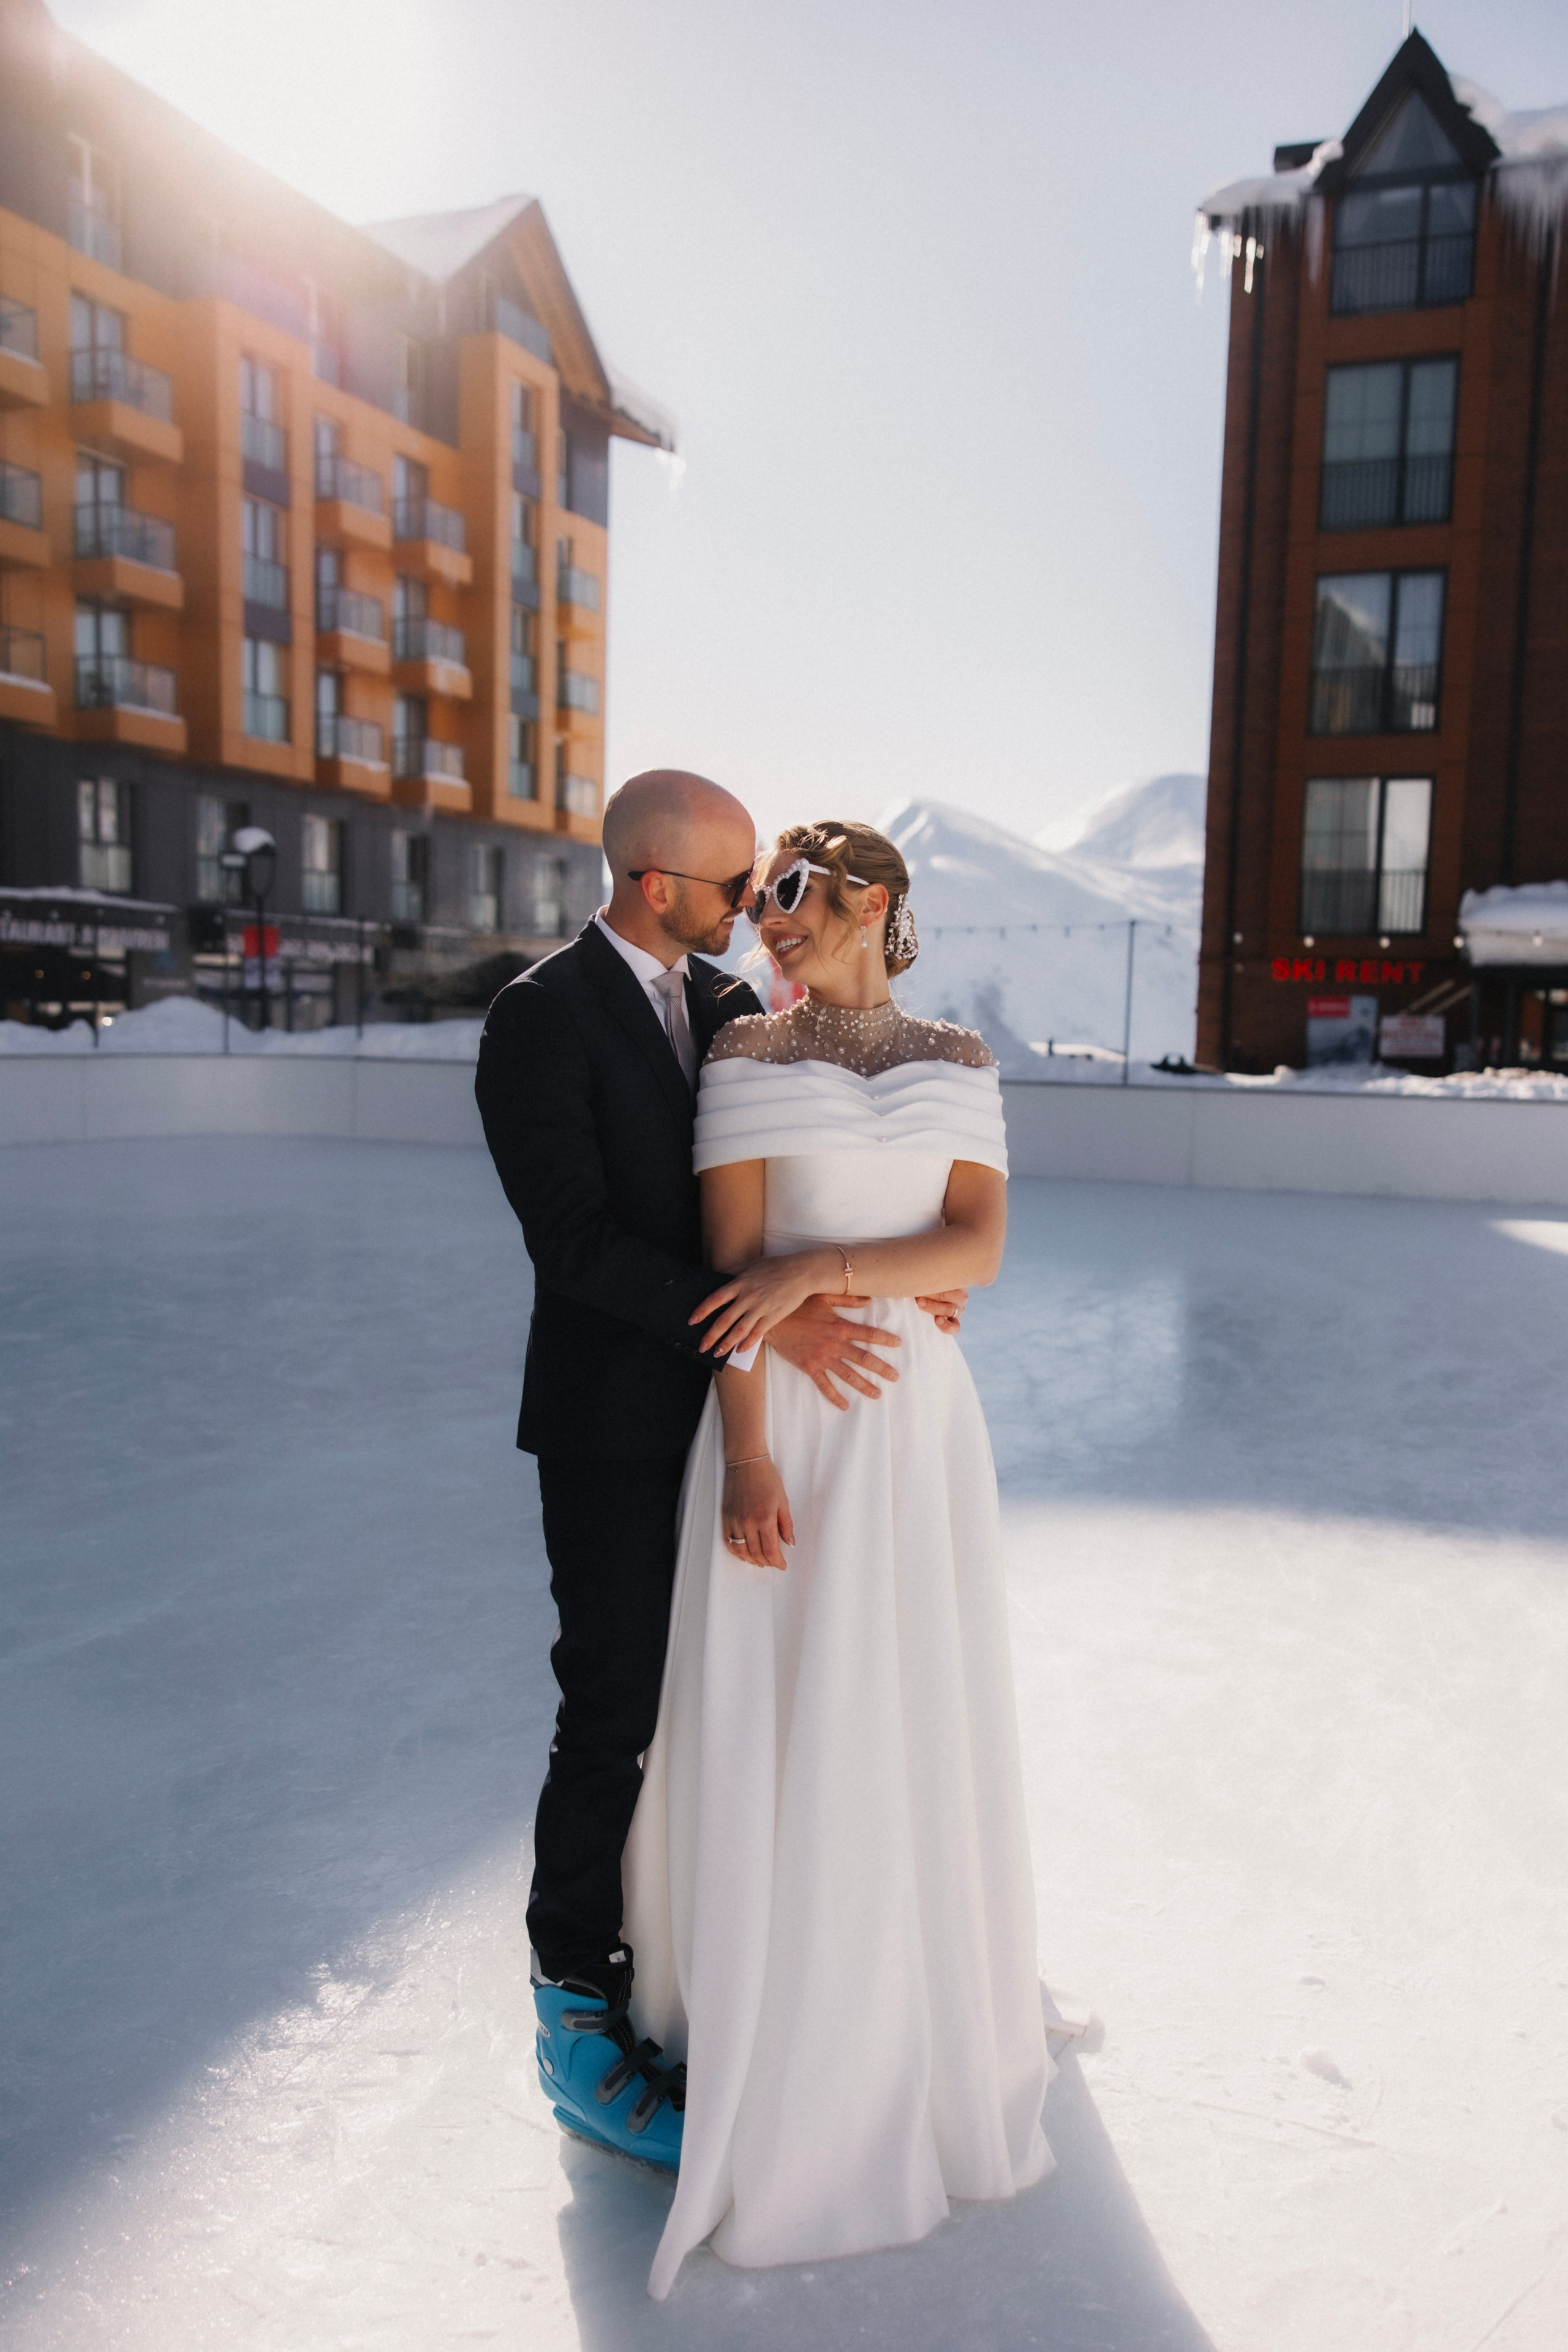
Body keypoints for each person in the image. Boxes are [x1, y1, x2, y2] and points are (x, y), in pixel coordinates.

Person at [474, 772, 968, 2167]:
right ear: (651, 886)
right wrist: (771, 1314)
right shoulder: (539, 1017)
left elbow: (792, 1176)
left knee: (732, 1701)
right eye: (731, 886)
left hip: (745, 1416)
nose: (754, 906)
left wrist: (895, 1276)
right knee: (614, 1707)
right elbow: (571, 1244)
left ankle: (727, 1975)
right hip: (618, 1425)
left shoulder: (731, 1011)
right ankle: (574, 2012)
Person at [622, 818, 1055, 2296]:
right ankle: (779, 1998)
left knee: (907, 1700)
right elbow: (737, 1268)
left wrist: (835, 1268)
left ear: (873, 900)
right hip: (787, 1428)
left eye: (793, 895)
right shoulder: (743, 1059)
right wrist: (742, 1448)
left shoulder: (958, 1057)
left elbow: (976, 1246)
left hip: (915, 1432)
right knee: (786, 1701)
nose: (767, 922)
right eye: (755, 904)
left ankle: (908, 1988)